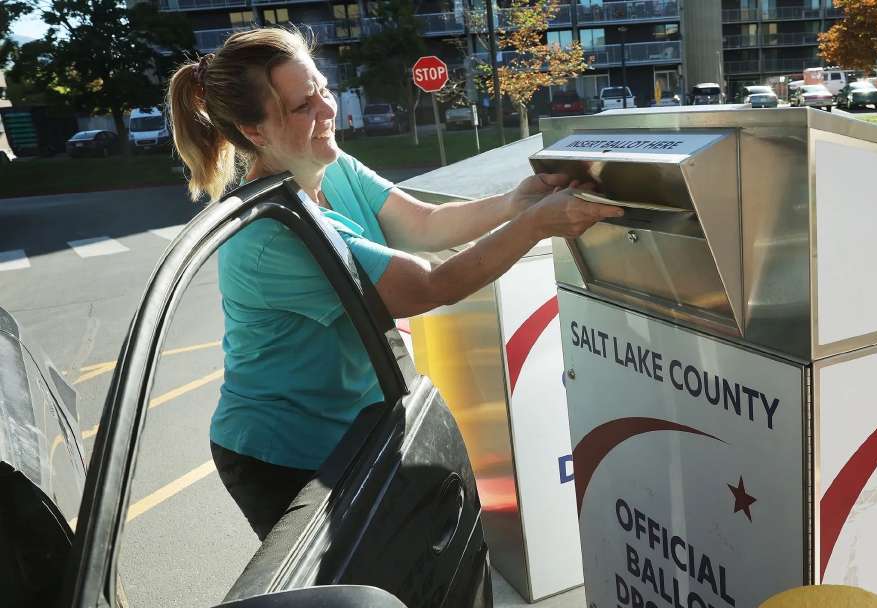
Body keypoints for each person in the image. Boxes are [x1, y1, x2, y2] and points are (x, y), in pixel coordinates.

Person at [166, 28, 621, 540]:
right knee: (345, 605)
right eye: (301, 107)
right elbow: (433, 284)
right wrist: (538, 224)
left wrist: (517, 202)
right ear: (255, 132)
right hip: (282, 454)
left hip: (352, 426)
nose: (326, 110)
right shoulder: (273, 232)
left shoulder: (328, 168)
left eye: (322, 90)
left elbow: (424, 224)